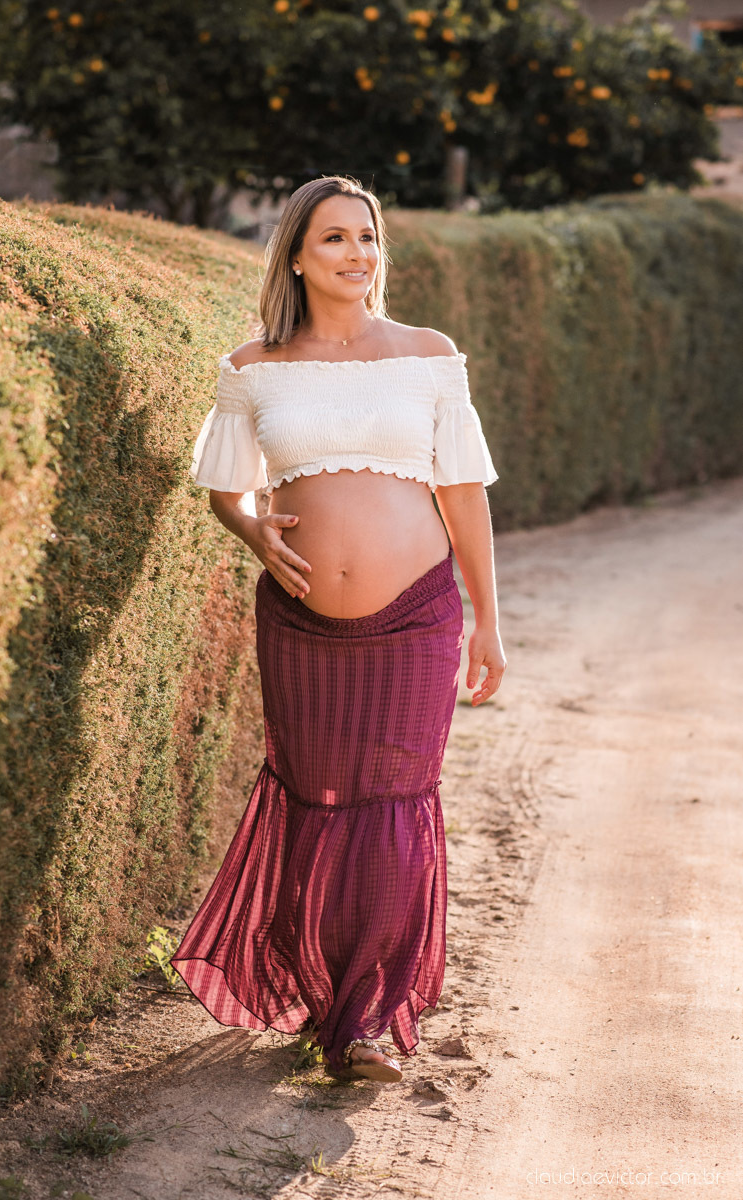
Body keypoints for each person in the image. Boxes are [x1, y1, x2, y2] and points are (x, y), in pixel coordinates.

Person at [169, 174, 506, 1084]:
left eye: (366, 237)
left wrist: (487, 620)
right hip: (299, 622)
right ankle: (320, 990)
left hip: (417, 618)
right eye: (334, 238)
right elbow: (224, 487)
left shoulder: (428, 355)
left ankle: (364, 1019)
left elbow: (463, 494)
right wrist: (253, 532)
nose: (357, 253)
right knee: (316, 801)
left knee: (394, 803)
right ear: (295, 255)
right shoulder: (253, 367)